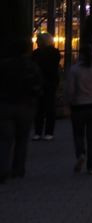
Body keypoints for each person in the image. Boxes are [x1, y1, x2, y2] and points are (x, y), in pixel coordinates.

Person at [0, 38, 43, 182]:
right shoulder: (31, 66)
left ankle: (3, 170)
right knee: (22, 140)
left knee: (5, 140)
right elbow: (38, 86)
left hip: (6, 105)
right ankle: (18, 170)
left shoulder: (4, 66)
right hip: (26, 106)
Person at [65, 41, 92, 174]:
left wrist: (69, 103)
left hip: (78, 106)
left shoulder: (74, 70)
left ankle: (80, 154)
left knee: (78, 135)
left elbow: (70, 89)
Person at [31, 33, 61, 141]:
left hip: (46, 82)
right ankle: (46, 132)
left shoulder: (40, 53)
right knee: (46, 107)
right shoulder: (53, 53)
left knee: (43, 107)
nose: (36, 42)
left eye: (38, 40)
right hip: (48, 82)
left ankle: (41, 131)